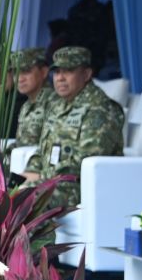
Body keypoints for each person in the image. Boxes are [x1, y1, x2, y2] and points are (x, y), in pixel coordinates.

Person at [21, 46, 125, 210]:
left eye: (68, 71)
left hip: (78, 187)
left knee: (27, 201)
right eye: (56, 72)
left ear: (86, 74)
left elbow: (83, 164)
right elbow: (43, 150)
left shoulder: (100, 109)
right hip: (51, 183)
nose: (60, 78)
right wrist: (27, 175)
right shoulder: (57, 106)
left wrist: (39, 183)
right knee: (2, 191)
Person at [12, 47, 55, 147]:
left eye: (26, 71)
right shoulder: (26, 105)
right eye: (16, 72)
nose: (20, 78)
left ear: (44, 72)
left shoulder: (54, 103)